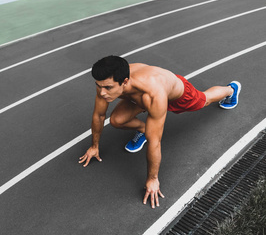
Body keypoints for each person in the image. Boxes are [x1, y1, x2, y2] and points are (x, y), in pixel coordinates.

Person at [78, 56, 241, 208]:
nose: (102, 92)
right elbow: (99, 116)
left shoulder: (153, 93)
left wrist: (152, 179)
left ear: (125, 81)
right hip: (139, 96)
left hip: (177, 94)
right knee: (117, 120)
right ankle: (141, 130)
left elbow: (155, 141)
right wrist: (94, 146)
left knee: (204, 100)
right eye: (98, 86)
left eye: (107, 88)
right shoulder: (107, 83)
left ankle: (231, 90)